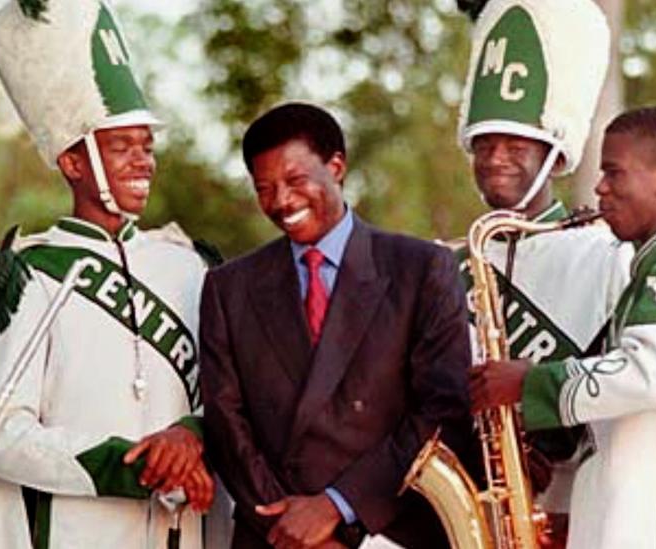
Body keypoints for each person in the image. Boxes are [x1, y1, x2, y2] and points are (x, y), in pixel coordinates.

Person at [0, 1, 215, 548]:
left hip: (181, 533)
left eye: (147, 145)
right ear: (72, 162)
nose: (143, 160)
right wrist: (133, 465)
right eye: (122, 146)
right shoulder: (31, 274)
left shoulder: (191, 266)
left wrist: (191, 436)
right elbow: (0, 436)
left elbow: (231, 397)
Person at [471, 105, 656, 548]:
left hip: (646, 520)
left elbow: (654, 377)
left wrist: (528, 382)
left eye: (614, 173)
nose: (600, 187)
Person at [200, 102, 474, 549]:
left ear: (337, 167)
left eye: (295, 180)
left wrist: (336, 506)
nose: (281, 202)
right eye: (264, 188)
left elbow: (443, 412)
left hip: (390, 531)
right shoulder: (228, 287)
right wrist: (291, 530)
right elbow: (227, 424)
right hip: (273, 535)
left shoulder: (423, 269)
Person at [453, 0, 631, 528]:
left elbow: (628, 385)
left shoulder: (605, 254)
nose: (495, 159)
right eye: (483, 144)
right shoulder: (447, 261)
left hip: (571, 511)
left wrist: (545, 419)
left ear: (555, 155)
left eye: (515, 144)